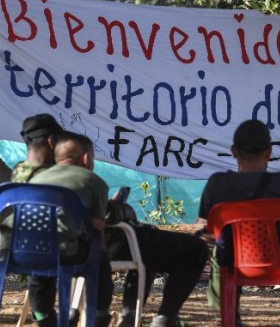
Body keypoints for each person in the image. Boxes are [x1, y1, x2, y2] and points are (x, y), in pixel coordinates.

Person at [31, 131, 208, 327]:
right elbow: (98, 223)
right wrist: (121, 211)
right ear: (86, 158)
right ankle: (162, 317)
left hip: (38, 253)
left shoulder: (35, 180)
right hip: (84, 252)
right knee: (192, 248)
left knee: (141, 246)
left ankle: (54, 314)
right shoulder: (90, 181)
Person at [198, 119, 280, 327]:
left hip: (234, 261)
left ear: (233, 151)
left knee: (220, 253)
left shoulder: (217, 185)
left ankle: (230, 317)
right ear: (269, 152)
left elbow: (209, 229)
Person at [9, 114, 114, 327]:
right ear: (51, 142)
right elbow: (94, 223)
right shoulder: (59, 175)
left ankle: (44, 318)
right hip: (63, 250)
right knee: (96, 256)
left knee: (42, 263)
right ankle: (98, 316)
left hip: (19, 250)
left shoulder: (19, 174)